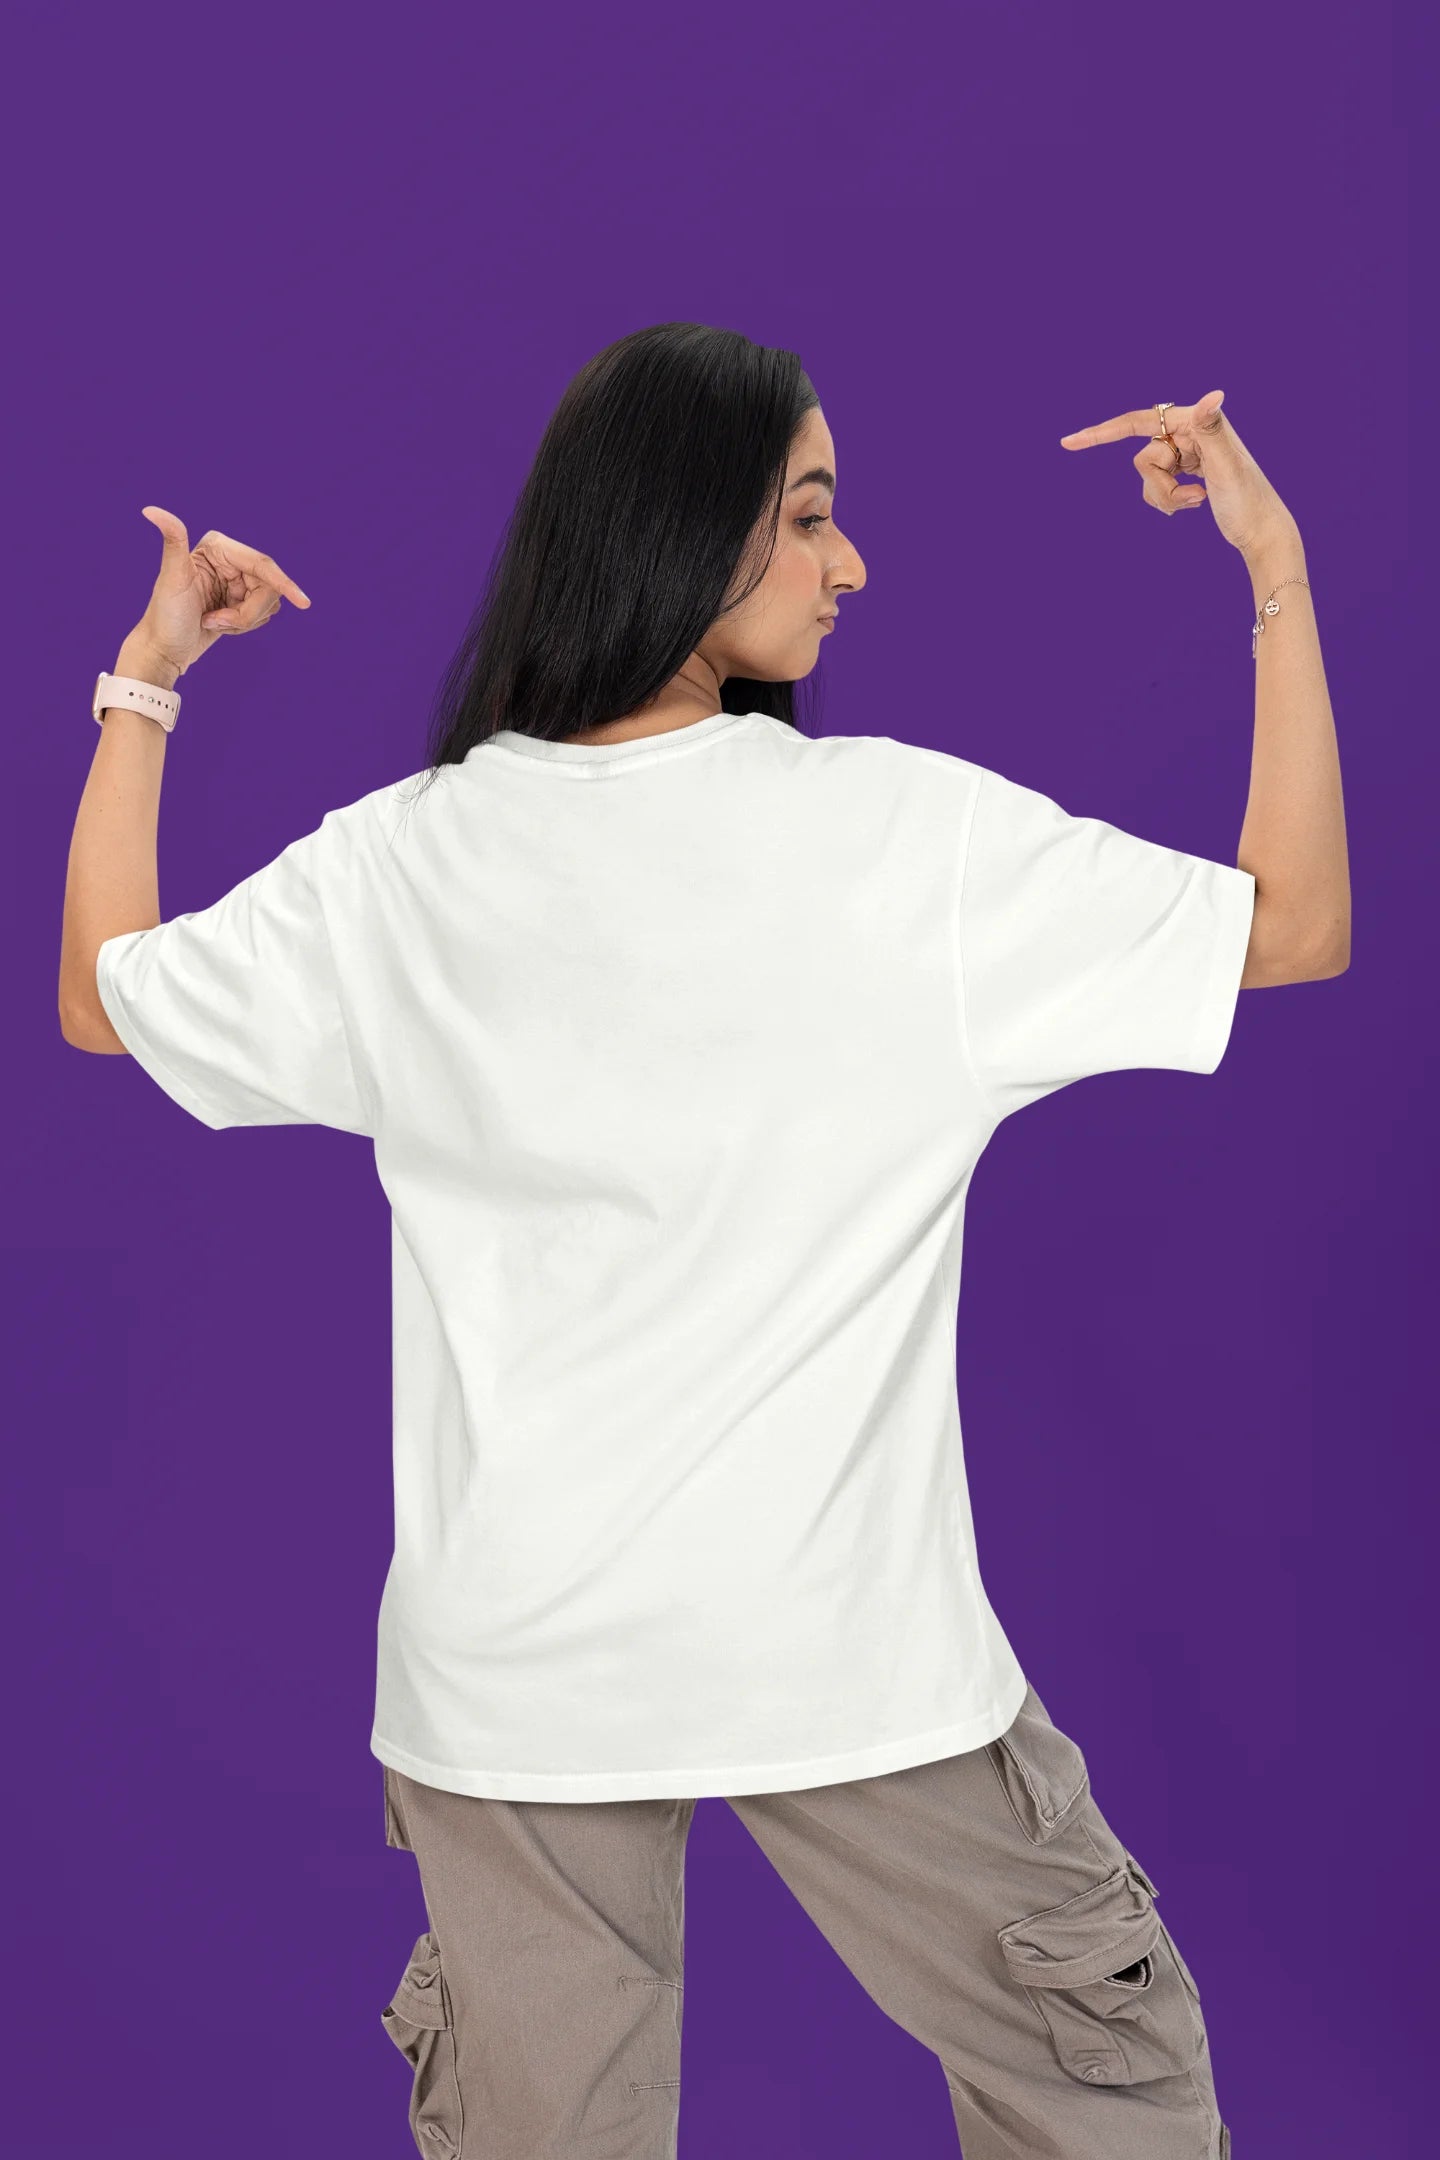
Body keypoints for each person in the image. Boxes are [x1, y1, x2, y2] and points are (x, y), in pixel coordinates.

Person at [58, 322, 1348, 2160]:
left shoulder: (406, 864)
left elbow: (106, 1000)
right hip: (848, 1655)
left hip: (511, 1682)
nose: (852, 564)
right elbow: (1294, 922)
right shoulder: (911, 844)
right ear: (685, 529)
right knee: (1113, 2105)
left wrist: (145, 683)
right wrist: (1275, 578)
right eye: (812, 515)